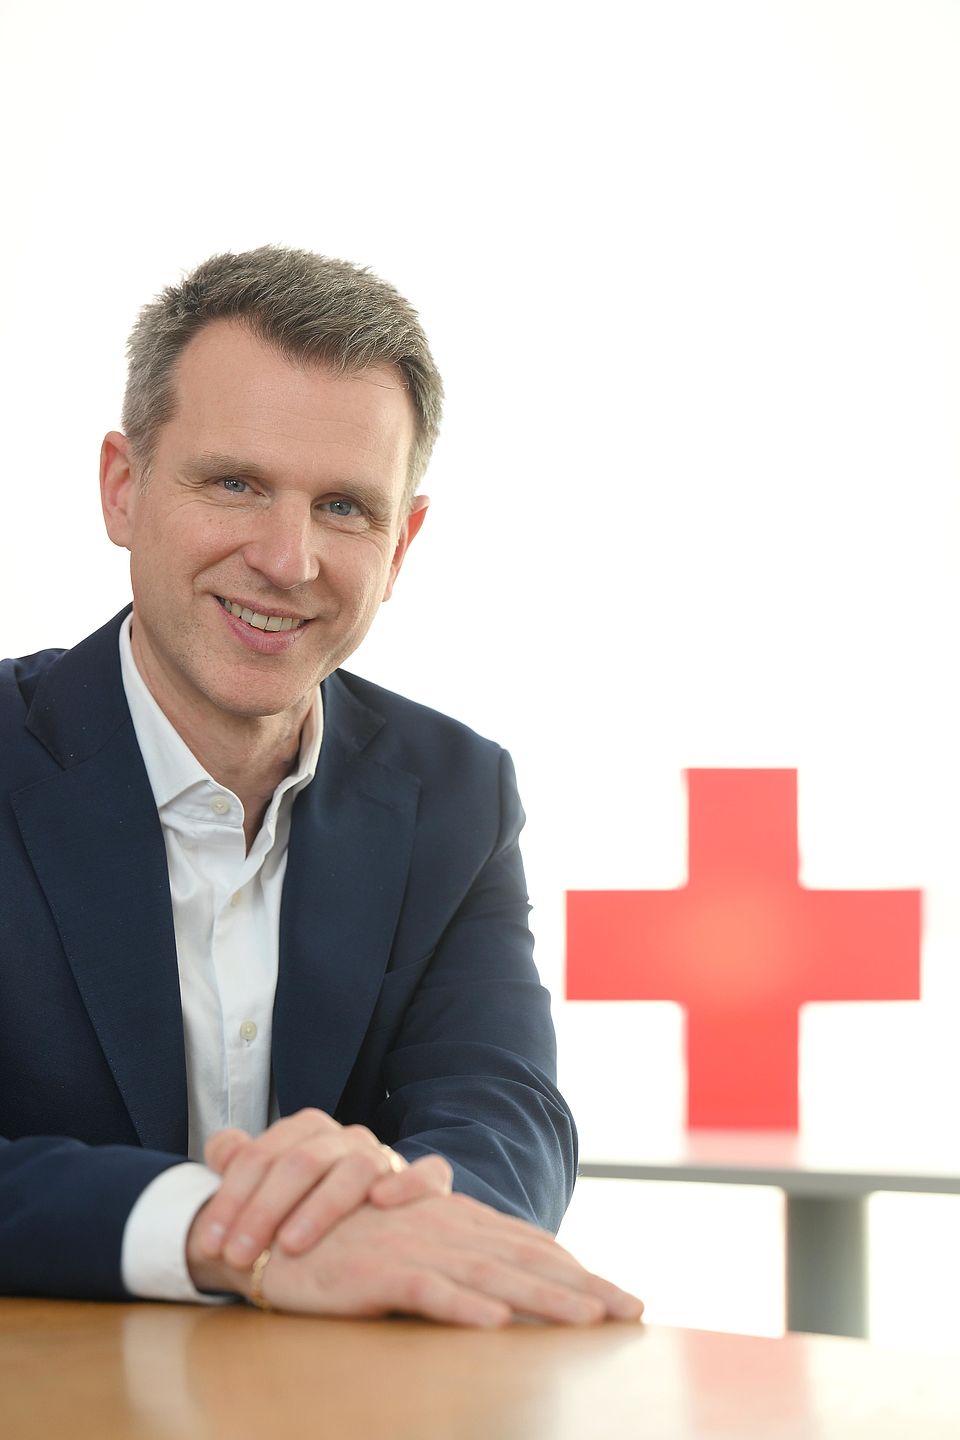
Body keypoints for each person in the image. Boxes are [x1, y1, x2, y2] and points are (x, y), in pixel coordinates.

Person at [0, 246, 642, 1326]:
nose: (288, 558)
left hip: (330, 1392)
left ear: (402, 544)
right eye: (235, 484)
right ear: (123, 487)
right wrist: (221, 1233)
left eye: (345, 507)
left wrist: (406, 1225)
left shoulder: (457, 794)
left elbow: (505, 1112)